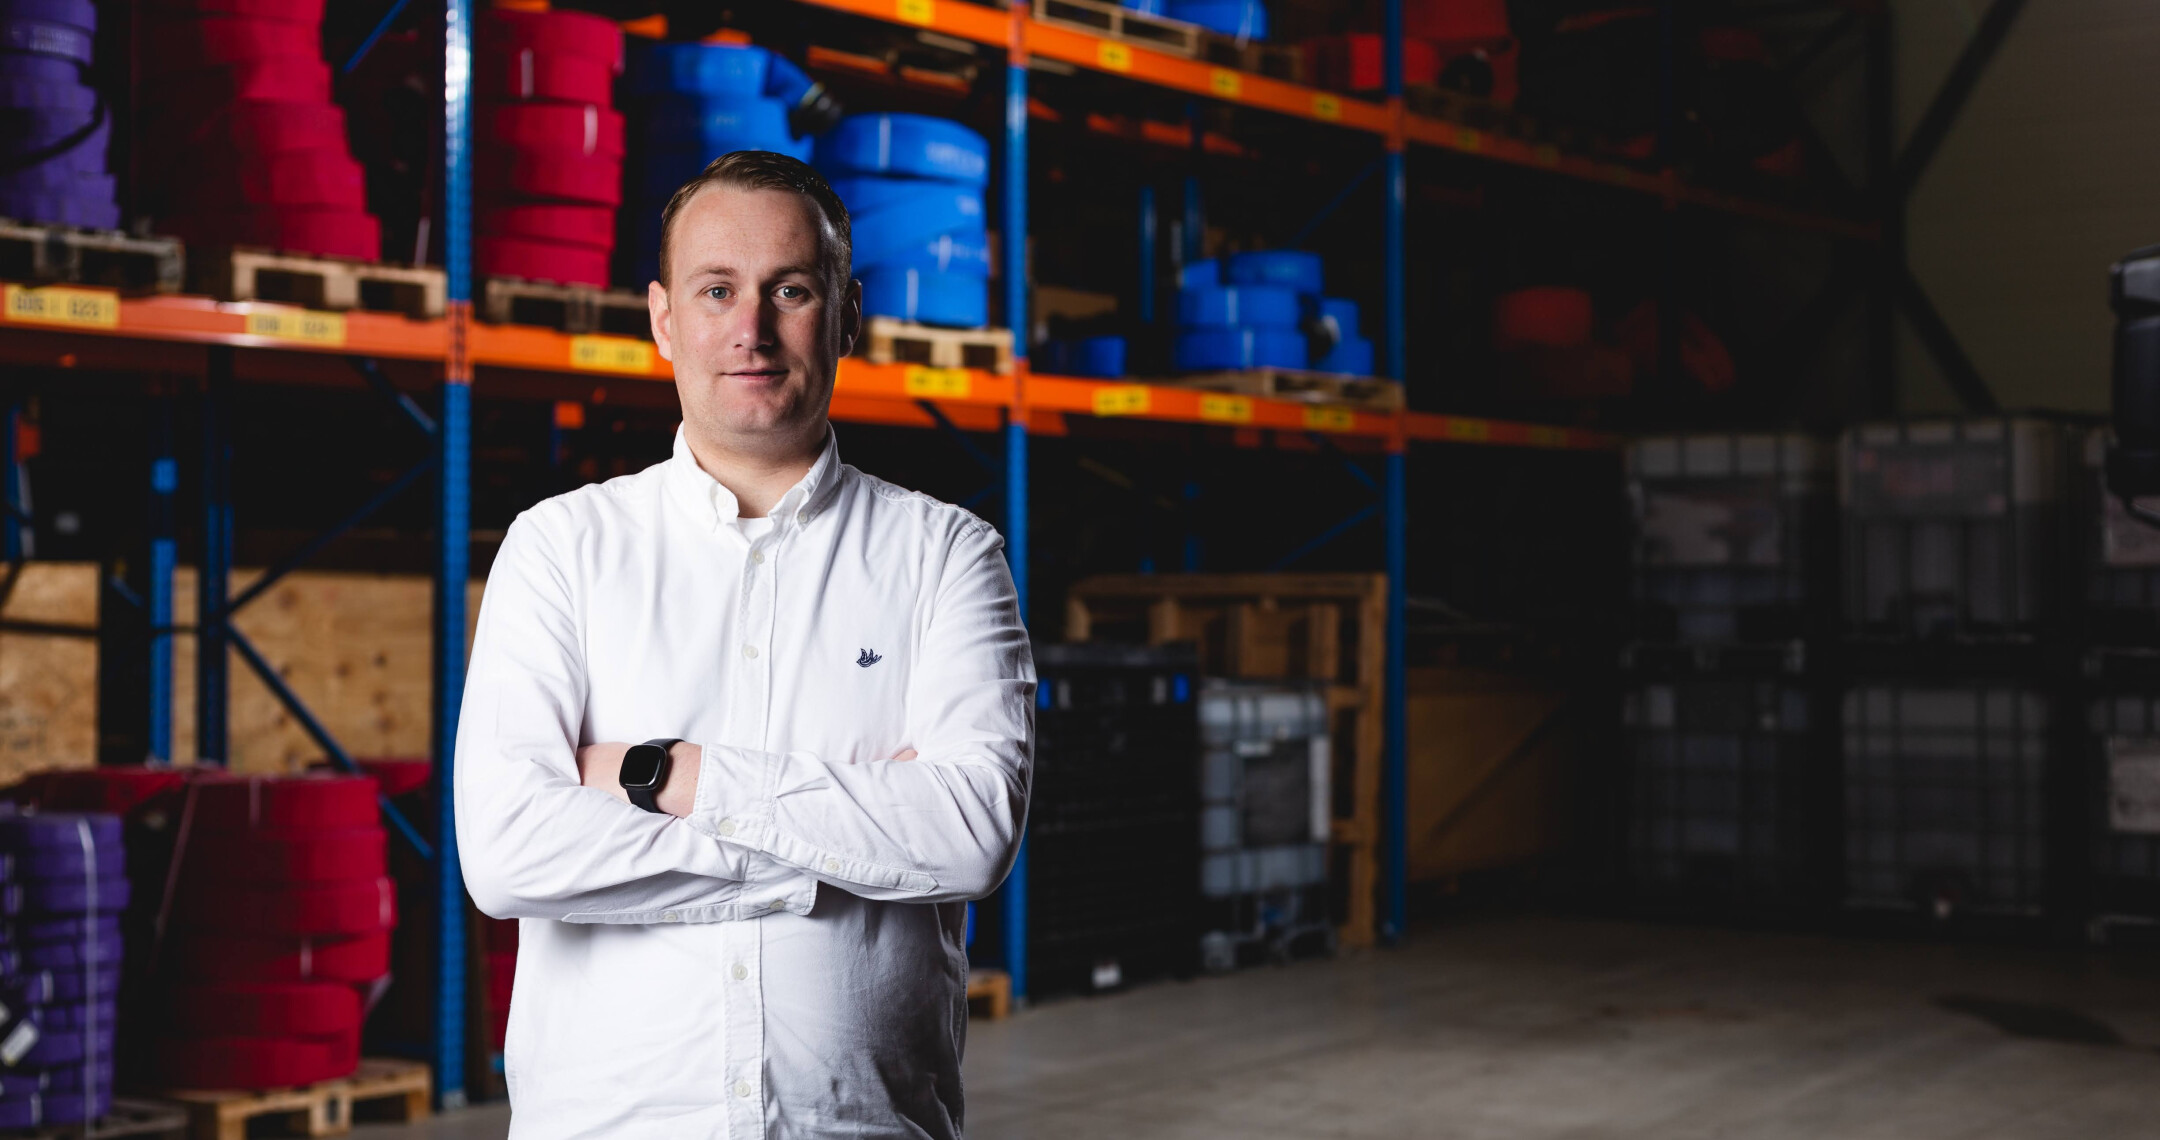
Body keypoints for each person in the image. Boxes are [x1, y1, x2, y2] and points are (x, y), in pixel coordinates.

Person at [455, 149, 1035, 1139]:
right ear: (663, 319)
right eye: (717, 290)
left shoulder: (946, 555)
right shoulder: (561, 548)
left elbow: (969, 832)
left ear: (846, 316)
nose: (751, 330)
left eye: (790, 290)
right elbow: (509, 856)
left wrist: (671, 775)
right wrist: (829, 858)